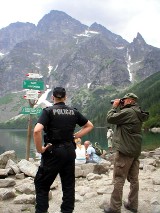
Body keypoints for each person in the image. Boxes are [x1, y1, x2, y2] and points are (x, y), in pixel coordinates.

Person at [33, 86, 94, 213]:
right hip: (69, 151)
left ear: (52, 97)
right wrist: (76, 136)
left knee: (42, 185)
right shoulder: (74, 111)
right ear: (65, 97)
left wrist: (40, 149)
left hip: (53, 151)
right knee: (68, 185)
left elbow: (37, 130)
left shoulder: (48, 111)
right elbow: (89, 125)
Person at [104, 93, 149, 213]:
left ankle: (114, 208)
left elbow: (110, 118)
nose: (121, 102)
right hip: (135, 151)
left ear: (130, 101)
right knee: (134, 179)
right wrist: (121, 106)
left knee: (119, 178)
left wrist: (114, 106)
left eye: (123, 101)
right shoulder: (137, 112)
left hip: (124, 151)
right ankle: (133, 205)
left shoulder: (129, 112)